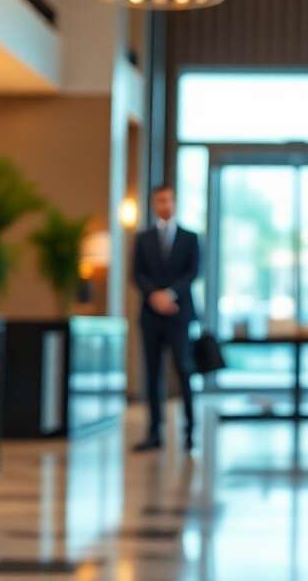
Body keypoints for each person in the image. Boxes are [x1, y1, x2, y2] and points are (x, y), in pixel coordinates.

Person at [132, 183, 200, 453]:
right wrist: (155, 296)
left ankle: (190, 430)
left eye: (169, 200)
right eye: (160, 201)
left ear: (175, 203)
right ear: (154, 204)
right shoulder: (143, 238)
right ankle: (154, 432)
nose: (165, 205)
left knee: (184, 370)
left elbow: (193, 272)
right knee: (152, 373)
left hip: (179, 314)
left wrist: (170, 294)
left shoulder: (190, 238)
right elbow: (137, 274)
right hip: (151, 316)